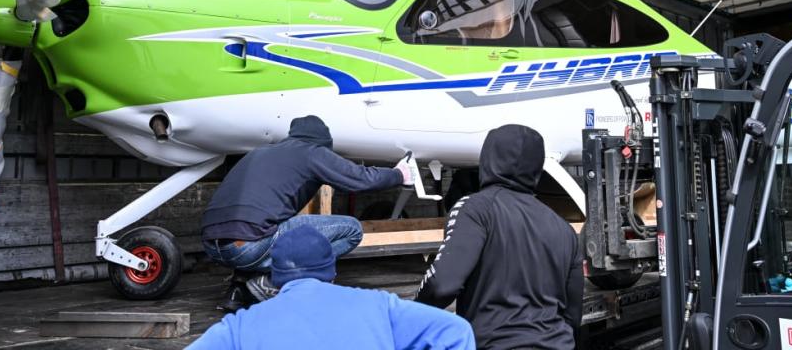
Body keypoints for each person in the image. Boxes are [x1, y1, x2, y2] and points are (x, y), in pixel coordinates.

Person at [201, 115, 412, 310]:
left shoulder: (260, 152)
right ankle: (271, 283)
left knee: (265, 223)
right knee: (352, 229)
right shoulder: (312, 151)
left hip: (212, 245)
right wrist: (398, 174)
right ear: (323, 142)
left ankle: (237, 291)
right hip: (249, 246)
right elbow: (360, 178)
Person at [415, 124, 584, 350]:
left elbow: (441, 285)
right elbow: (573, 315)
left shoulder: (475, 208)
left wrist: (411, 314)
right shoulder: (564, 228)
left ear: (488, 159)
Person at [187, 225, 475, 350]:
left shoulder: (240, 327)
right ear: (332, 271)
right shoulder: (380, 307)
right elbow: (456, 331)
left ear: (274, 279)